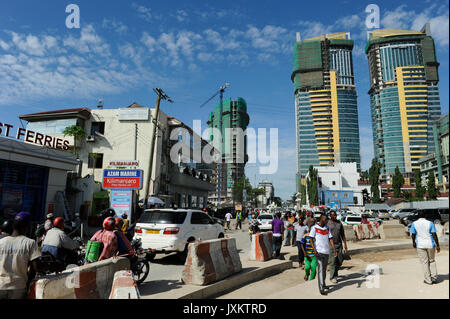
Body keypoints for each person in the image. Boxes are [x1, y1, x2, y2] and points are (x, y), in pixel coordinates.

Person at [0, 212, 41, 299]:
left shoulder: (1, 242)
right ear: (26, 227)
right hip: (18, 288)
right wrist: (28, 281)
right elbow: (36, 267)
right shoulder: (30, 243)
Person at [410, 210, 441, 285]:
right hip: (430, 244)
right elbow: (434, 235)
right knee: (432, 261)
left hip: (420, 245)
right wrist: (437, 245)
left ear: (418, 216)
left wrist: (414, 242)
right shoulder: (430, 223)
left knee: (424, 262)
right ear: (425, 216)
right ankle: (434, 278)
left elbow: (413, 234)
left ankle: (428, 280)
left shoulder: (414, 224)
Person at [310, 214, 337, 295]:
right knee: (321, 269)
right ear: (321, 219)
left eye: (327, 220)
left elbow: (330, 238)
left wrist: (334, 249)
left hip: (326, 252)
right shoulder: (314, 227)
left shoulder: (327, 228)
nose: (326, 221)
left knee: (324, 269)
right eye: (325, 220)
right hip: (319, 252)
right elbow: (311, 238)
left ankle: (324, 284)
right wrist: (314, 250)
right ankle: (321, 288)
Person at [327, 211, 348, 283]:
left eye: (335, 215)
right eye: (333, 215)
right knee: (332, 261)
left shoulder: (339, 223)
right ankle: (332, 277)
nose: (334, 216)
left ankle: (335, 272)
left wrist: (345, 245)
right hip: (330, 245)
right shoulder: (327, 223)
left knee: (340, 260)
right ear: (330, 216)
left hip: (339, 244)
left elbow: (342, 234)